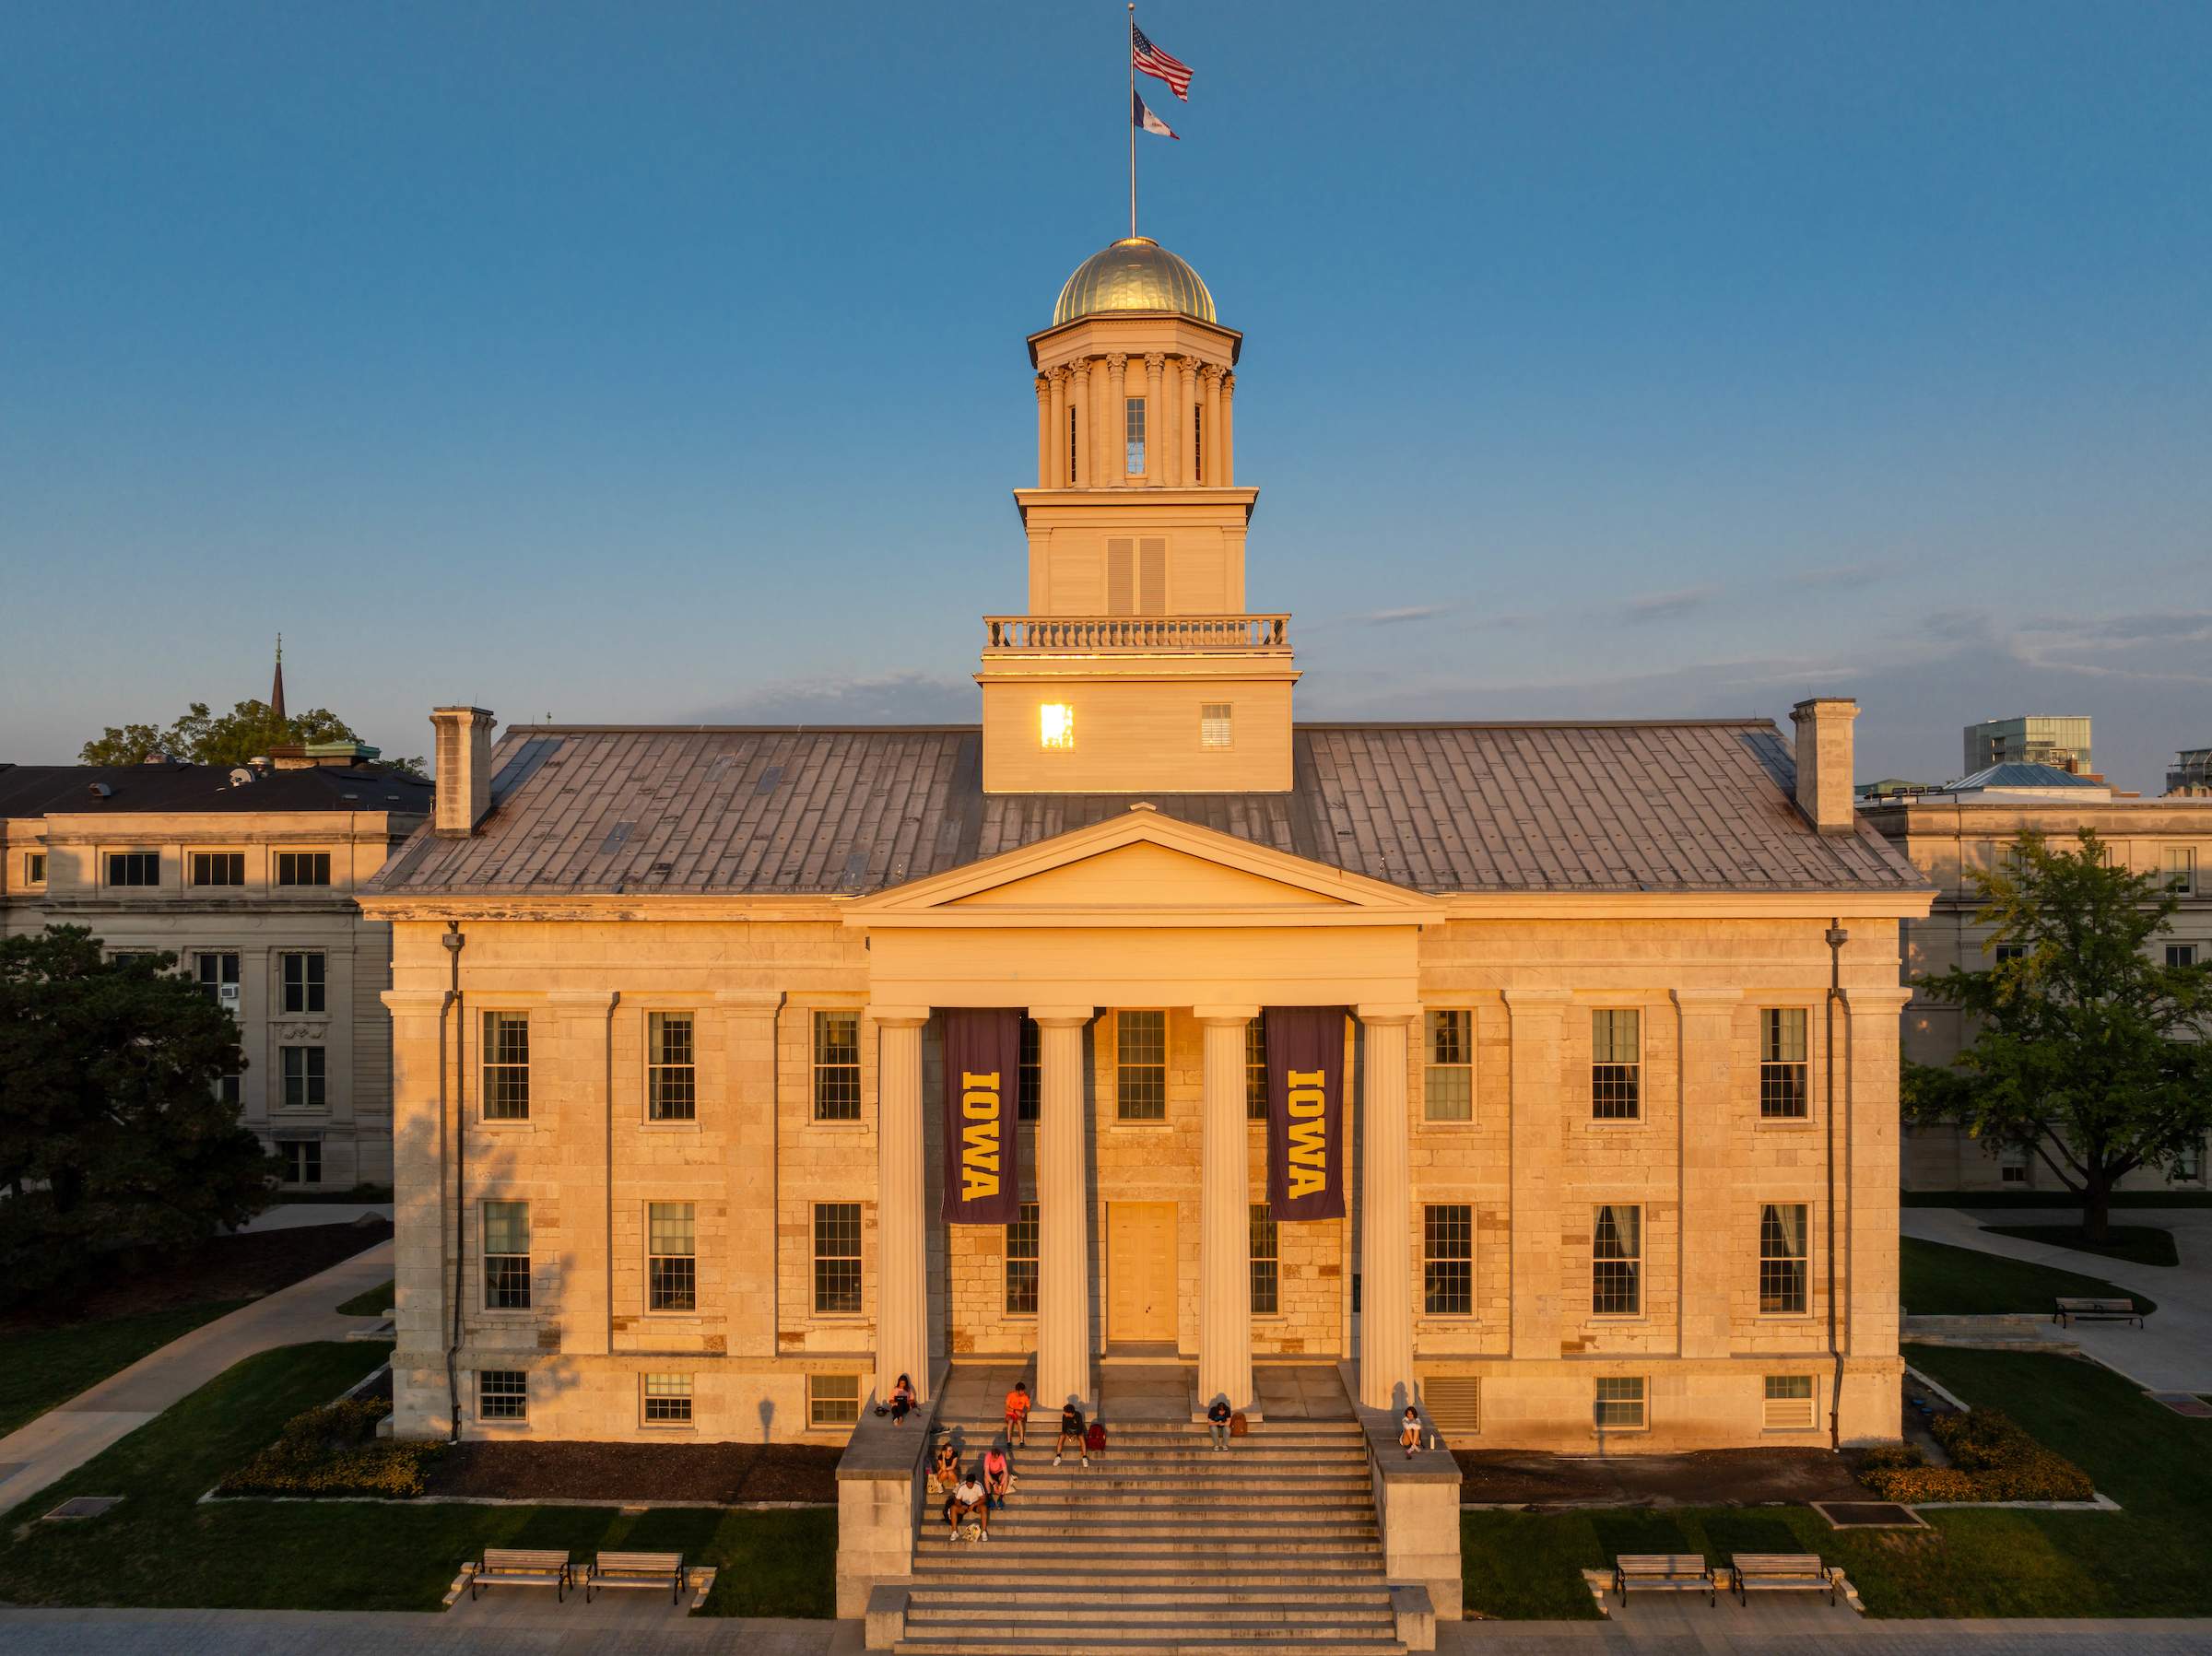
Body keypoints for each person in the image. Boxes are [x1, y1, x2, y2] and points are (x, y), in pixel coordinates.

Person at [947, 1472, 988, 1537]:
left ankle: (984, 1532)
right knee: (953, 1508)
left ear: (974, 1483)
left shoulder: (979, 1485)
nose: (969, 1486)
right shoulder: (961, 1486)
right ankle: (955, 1531)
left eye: (971, 1484)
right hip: (964, 1504)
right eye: (967, 1484)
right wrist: (960, 1506)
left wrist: (973, 1505)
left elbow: (983, 1499)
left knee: (984, 1508)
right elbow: (956, 1500)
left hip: (975, 1503)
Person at [1054, 1401, 1088, 1468]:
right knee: (1061, 1436)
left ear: (1070, 1413)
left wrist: (1074, 1435)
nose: (1064, 1413)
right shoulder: (1064, 1416)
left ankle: (1084, 1457)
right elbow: (1063, 1427)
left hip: (1077, 1430)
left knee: (1081, 1437)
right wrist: (1066, 1435)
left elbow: (1080, 1427)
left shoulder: (1078, 1415)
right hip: (1068, 1430)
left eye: (1066, 1412)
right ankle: (1058, 1456)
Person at [982, 1444, 1011, 1510]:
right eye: (993, 1457)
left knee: (1005, 1478)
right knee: (986, 1478)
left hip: (999, 1472)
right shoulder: (988, 1456)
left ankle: (1000, 1498)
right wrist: (994, 1485)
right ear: (991, 1455)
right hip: (990, 1473)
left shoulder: (1001, 1457)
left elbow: (1006, 1473)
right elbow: (986, 1472)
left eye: (996, 1457)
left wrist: (1000, 1485)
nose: (995, 1459)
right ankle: (990, 1498)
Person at [1004, 1380, 1031, 1447]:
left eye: (1023, 1391)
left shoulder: (1025, 1397)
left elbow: (1029, 1407)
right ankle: (1009, 1441)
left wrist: (1024, 1413)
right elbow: (1006, 1407)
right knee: (1010, 1421)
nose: (1023, 1392)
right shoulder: (1011, 1395)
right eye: (1021, 1391)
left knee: (1019, 1421)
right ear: (1017, 1391)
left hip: (1019, 1414)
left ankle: (1022, 1441)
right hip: (1010, 1413)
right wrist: (1015, 1411)